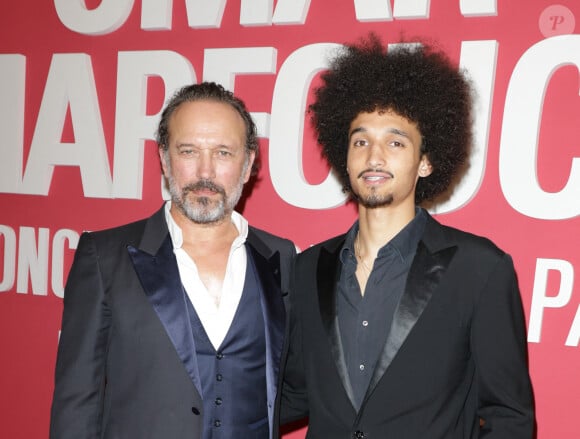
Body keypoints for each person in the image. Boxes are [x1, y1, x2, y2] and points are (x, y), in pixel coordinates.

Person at [281, 34, 535, 438]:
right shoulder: (308, 268)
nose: (374, 156)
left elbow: (509, 417)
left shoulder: (479, 269)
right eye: (360, 140)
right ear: (343, 155)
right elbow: (293, 391)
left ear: (426, 162)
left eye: (395, 142)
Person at [50, 82, 295, 439]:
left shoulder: (281, 257)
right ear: (165, 160)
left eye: (223, 153)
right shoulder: (104, 258)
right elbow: (76, 404)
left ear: (248, 165)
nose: (205, 172)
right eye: (189, 151)